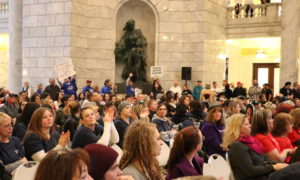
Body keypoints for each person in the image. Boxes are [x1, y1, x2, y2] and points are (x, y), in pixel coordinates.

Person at [222, 114, 288, 180]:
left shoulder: (250, 141)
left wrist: (279, 164)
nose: (250, 126)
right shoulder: (236, 146)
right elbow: (250, 171)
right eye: (247, 124)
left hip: (265, 174)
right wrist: (274, 167)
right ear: (238, 128)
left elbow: (265, 157)